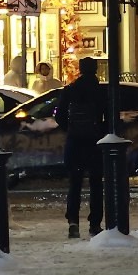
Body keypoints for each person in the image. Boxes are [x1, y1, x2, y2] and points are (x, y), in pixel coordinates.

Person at [57, 56, 107, 239]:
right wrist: (101, 131)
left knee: (75, 183)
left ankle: (73, 222)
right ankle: (95, 224)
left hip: (75, 142)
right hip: (94, 143)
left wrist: (70, 129)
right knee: (96, 184)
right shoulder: (100, 91)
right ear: (95, 70)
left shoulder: (70, 90)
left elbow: (59, 115)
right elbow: (109, 116)